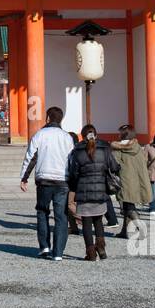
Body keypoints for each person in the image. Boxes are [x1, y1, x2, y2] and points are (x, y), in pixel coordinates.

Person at [19, 107, 74, 259]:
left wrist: (24, 177)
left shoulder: (40, 135)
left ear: (48, 118)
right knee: (61, 216)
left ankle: (44, 247)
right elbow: (72, 160)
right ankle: (58, 252)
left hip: (44, 179)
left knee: (42, 212)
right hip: (62, 180)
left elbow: (31, 157)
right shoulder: (67, 137)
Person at [66, 125, 120, 261]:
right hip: (101, 189)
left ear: (83, 136)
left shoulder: (77, 151)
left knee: (86, 222)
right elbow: (114, 167)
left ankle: (90, 252)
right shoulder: (105, 148)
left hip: (83, 191)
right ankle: (101, 247)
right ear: (96, 134)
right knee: (98, 220)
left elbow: (73, 173)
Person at [110, 126, 149, 239]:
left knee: (129, 207)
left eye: (119, 133)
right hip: (137, 181)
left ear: (123, 134)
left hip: (124, 181)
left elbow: (114, 165)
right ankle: (125, 231)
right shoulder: (137, 148)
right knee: (127, 207)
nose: (118, 135)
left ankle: (142, 229)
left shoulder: (118, 148)